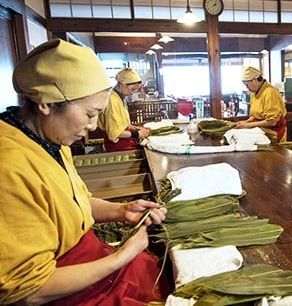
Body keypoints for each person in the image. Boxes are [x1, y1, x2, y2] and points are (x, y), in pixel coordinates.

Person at [0, 39, 170, 305]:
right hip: (64, 293)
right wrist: (121, 256)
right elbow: (28, 291)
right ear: (46, 103)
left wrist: (121, 210)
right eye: (90, 114)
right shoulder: (8, 167)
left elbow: (74, 201)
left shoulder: (52, 140)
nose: (92, 126)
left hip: (90, 259)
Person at [97, 67, 150, 152]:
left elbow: (121, 123)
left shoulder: (118, 96)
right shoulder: (112, 100)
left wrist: (134, 128)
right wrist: (137, 134)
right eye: (132, 89)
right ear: (123, 84)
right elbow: (114, 133)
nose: (132, 93)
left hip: (125, 141)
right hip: (117, 146)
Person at [236, 66, 287, 142]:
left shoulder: (270, 92)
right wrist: (246, 122)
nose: (247, 88)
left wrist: (248, 125)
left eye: (247, 85)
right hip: (261, 131)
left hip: (273, 133)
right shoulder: (253, 93)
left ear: (255, 80)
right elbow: (254, 115)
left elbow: (272, 122)